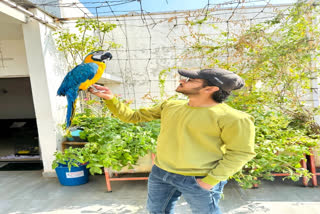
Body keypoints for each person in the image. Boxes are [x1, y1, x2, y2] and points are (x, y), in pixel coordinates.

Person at [89, 68, 256, 214]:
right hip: (161, 173)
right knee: (156, 211)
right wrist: (110, 98)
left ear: (210, 89)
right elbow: (133, 116)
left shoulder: (234, 118)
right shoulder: (171, 106)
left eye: (191, 80)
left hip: (199, 178)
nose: (182, 81)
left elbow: (241, 153)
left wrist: (209, 181)